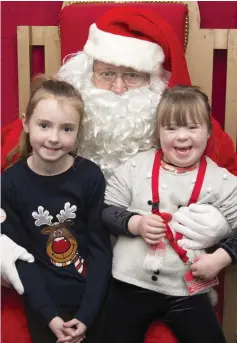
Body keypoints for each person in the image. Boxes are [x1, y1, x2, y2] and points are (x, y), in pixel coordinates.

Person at [1, 6, 237, 343]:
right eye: (107, 73)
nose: (119, 89)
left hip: (165, 277)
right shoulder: (45, 122)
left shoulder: (190, 128)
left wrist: (221, 225)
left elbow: (230, 178)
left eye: (132, 75)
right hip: (64, 272)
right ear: (85, 74)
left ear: (154, 83)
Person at [99, 85, 237, 343]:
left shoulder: (221, 180)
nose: (181, 137)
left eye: (192, 127)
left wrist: (219, 259)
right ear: (158, 132)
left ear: (208, 132)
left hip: (186, 289)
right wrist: (135, 223)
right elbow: (106, 210)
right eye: (171, 128)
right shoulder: (136, 167)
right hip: (130, 284)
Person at [1, 76, 112, 343]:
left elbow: (100, 249)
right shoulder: (10, 182)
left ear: (77, 132)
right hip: (42, 302)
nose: (53, 138)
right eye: (44, 125)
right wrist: (50, 316)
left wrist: (87, 315)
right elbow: (19, 256)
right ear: (26, 122)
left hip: (91, 300)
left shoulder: (89, 176)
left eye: (66, 129)